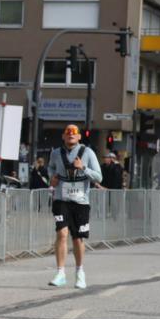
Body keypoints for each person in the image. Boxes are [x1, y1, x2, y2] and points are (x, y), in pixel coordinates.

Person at [47, 124, 102, 289]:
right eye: (67, 133)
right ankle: (60, 273)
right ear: (63, 136)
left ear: (79, 137)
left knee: (77, 238)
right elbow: (50, 168)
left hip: (81, 201)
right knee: (62, 233)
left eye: (74, 134)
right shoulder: (56, 153)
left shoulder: (88, 153)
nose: (71, 135)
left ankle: (79, 272)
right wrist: (52, 178)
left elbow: (99, 177)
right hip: (61, 199)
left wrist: (83, 168)